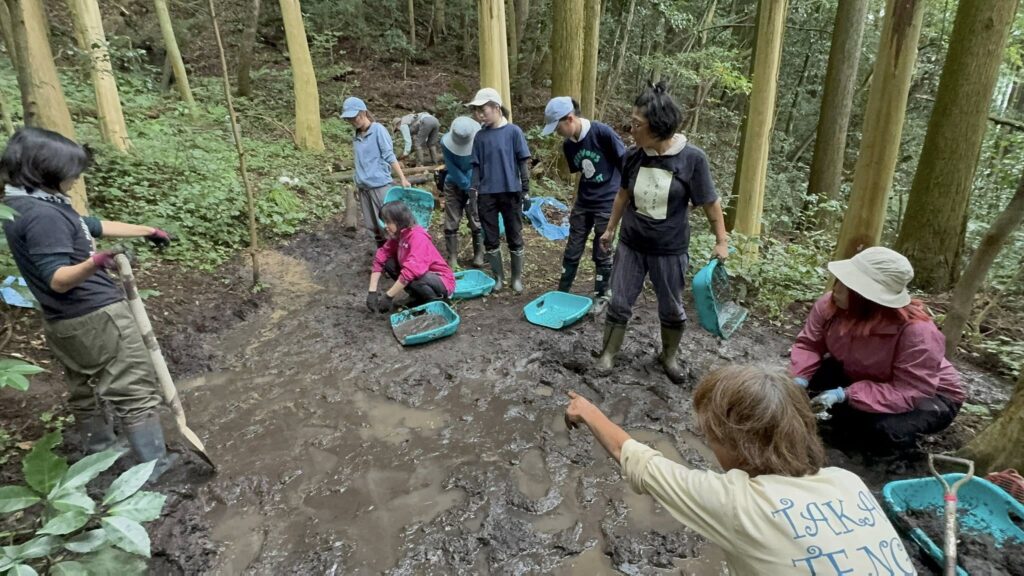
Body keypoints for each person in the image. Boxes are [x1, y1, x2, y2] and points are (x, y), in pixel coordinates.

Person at [564, 365, 916, 575]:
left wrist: (588, 411)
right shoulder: (848, 481)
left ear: (738, 444)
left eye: (710, 436)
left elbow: (639, 460)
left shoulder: (738, 503)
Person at [0, 127, 177, 481]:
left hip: (63, 321)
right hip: (96, 315)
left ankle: (102, 454)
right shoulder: (43, 216)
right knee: (135, 390)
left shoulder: (24, 204)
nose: (76, 176)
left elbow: (87, 226)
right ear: (46, 169)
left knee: (86, 389)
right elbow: (58, 277)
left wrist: (146, 230)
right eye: (72, 170)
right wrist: (97, 262)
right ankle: (155, 471)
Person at [596, 82, 729, 384]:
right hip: (631, 244)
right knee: (619, 301)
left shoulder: (692, 159)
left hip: (670, 249)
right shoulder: (633, 155)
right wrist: (609, 229)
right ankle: (608, 352)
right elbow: (622, 195)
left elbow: (710, 202)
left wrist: (722, 241)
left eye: (637, 124)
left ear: (658, 127)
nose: (631, 129)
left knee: (671, 306)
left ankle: (668, 355)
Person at [790, 246, 965, 454]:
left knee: (885, 430)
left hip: (928, 395)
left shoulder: (917, 333)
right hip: (862, 372)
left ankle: (891, 461)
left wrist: (845, 394)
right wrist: (798, 378)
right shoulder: (830, 306)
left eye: (845, 286)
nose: (835, 289)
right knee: (806, 387)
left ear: (866, 298)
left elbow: (910, 390)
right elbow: (810, 344)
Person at [541, 96, 625, 311]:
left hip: (607, 201)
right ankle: (563, 290)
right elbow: (582, 173)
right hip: (584, 201)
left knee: (602, 249)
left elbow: (625, 164)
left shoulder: (602, 133)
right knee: (573, 247)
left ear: (570, 119)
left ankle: (601, 293)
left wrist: (624, 199)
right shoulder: (569, 145)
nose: (557, 133)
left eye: (558, 128)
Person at [467, 87, 532, 293]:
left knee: (514, 233)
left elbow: (522, 161)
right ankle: (498, 278)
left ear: (496, 107)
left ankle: (516, 278)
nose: (479, 115)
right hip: (487, 193)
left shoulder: (513, 132)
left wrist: (526, 189)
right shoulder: (480, 137)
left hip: (510, 191)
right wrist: (473, 191)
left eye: (482, 109)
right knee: (491, 236)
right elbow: (476, 166)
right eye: (476, 111)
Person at [341, 97, 411, 247]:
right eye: (350, 119)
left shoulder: (378, 130)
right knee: (372, 226)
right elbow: (360, 162)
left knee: (388, 225)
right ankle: (382, 256)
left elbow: (389, 155)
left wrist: (402, 178)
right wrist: (357, 181)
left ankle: (399, 257)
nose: (354, 121)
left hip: (380, 186)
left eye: (356, 117)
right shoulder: (357, 136)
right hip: (364, 188)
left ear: (364, 112)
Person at [367, 201, 455, 313]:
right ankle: (417, 297)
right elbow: (381, 256)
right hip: (421, 276)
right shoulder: (399, 235)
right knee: (389, 262)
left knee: (416, 276)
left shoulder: (418, 237)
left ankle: (434, 302)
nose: (385, 226)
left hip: (441, 281)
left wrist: (388, 296)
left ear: (399, 221)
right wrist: (372, 291)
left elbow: (412, 271)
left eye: (388, 222)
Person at [437, 116, 484, 269]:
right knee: (452, 218)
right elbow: (451, 167)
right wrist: (466, 186)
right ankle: (452, 258)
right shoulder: (445, 143)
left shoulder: (479, 140)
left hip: (475, 182)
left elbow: (480, 163)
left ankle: (479, 254)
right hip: (453, 182)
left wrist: (474, 186)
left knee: (475, 217)